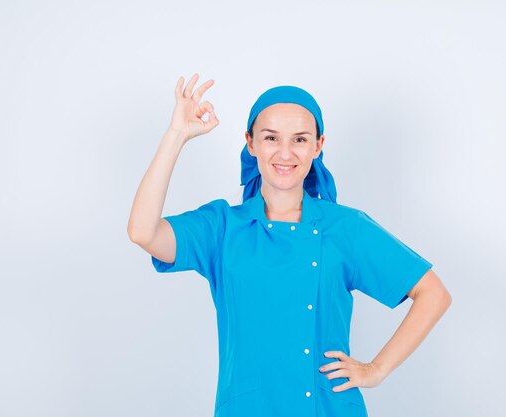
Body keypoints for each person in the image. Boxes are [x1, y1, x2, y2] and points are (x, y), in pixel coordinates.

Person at [128, 73, 452, 417]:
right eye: (271, 138)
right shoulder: (222, 228)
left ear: (318, 144)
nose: (285, 153)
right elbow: (143, 232)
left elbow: (433, 293)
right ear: (251, 143)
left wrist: (376, 369)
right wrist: (177, 135)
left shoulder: (345, 228)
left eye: (299, 139)